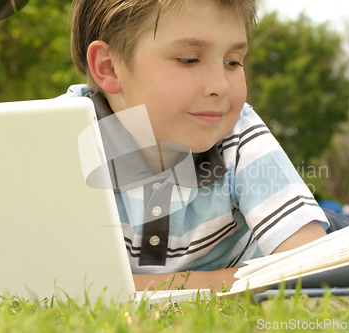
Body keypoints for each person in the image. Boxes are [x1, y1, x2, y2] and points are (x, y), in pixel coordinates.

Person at [64, 0, 329, 291]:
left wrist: (140, 287)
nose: (220, 86)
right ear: (109, 68)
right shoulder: (59, 137)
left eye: (233, 62)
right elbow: (46, 280)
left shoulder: (237, 132)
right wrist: (222, 281)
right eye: (189, 59)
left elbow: (311, 264)